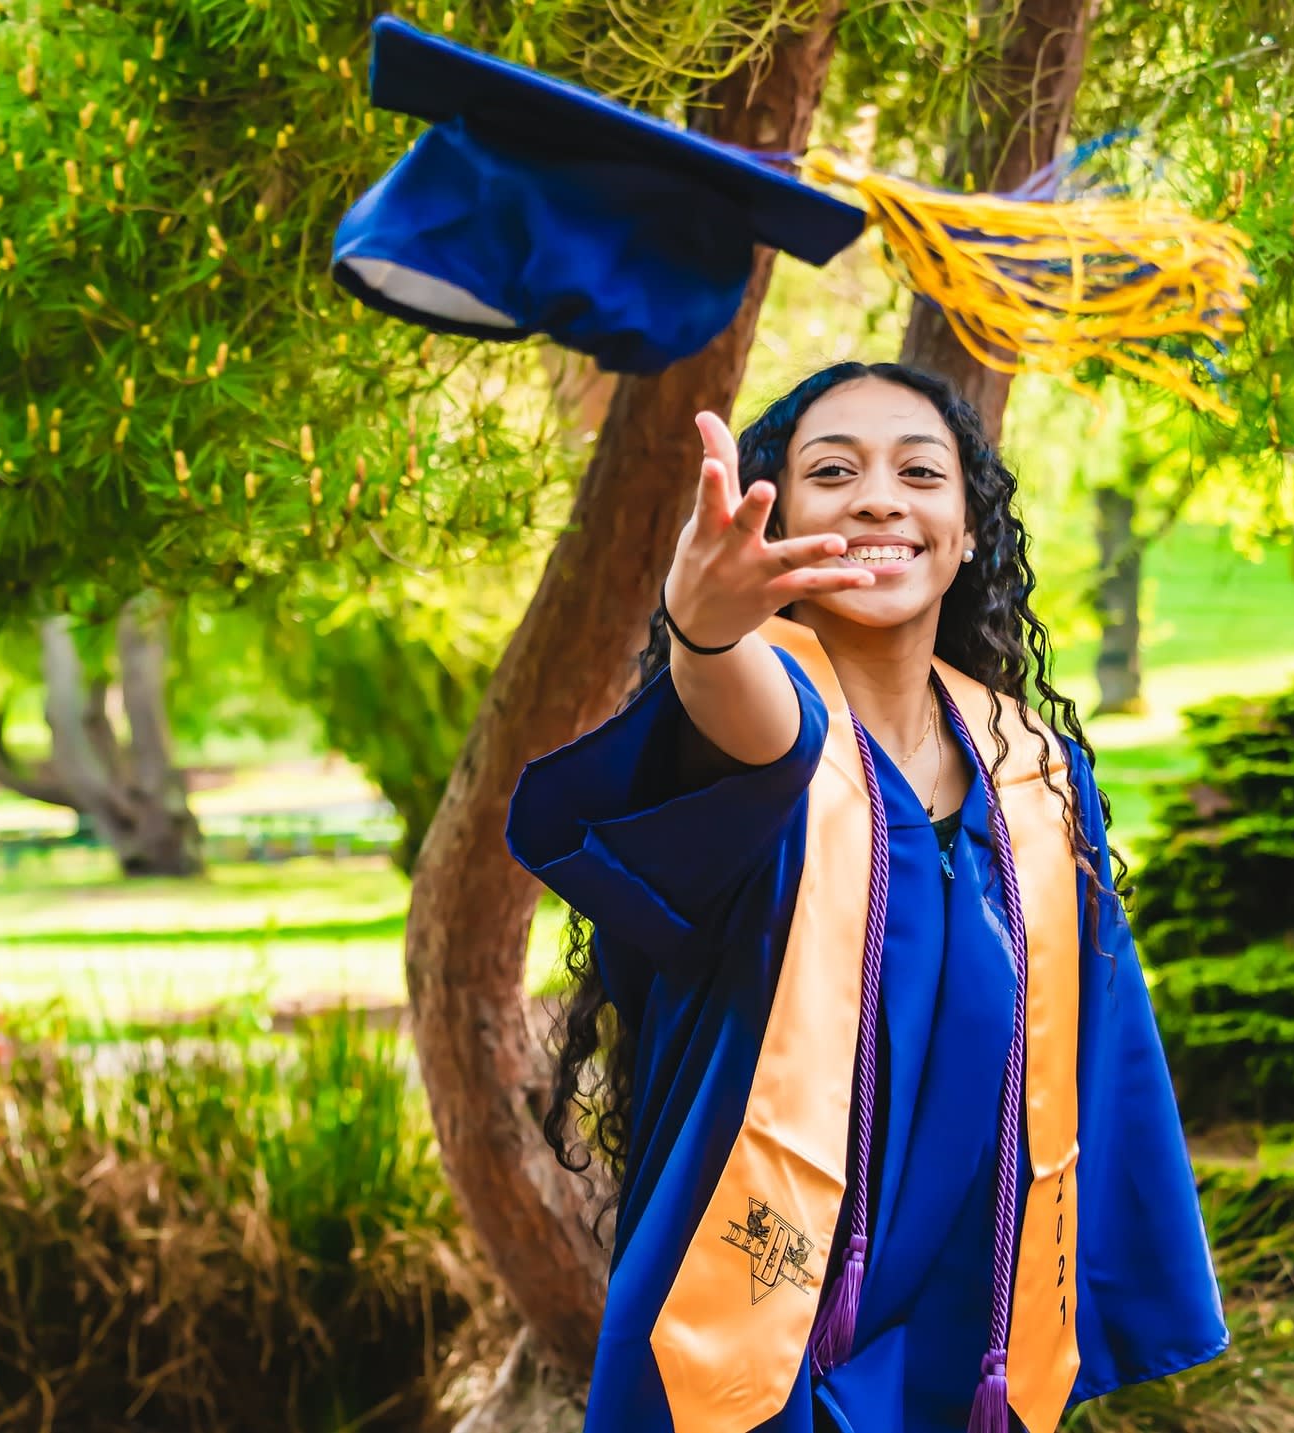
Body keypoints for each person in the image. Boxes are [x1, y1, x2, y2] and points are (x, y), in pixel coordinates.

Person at [505, 361, 1227, 1433]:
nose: (880, 497)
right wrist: (704, 630)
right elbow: (750, 714)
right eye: (833, 470)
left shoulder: (1031, 771)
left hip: (959, 1335)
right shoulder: (764, 732)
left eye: (920, 471)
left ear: (971, 530)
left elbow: (1103, 1057)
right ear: (779, 520)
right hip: (755, 1328)